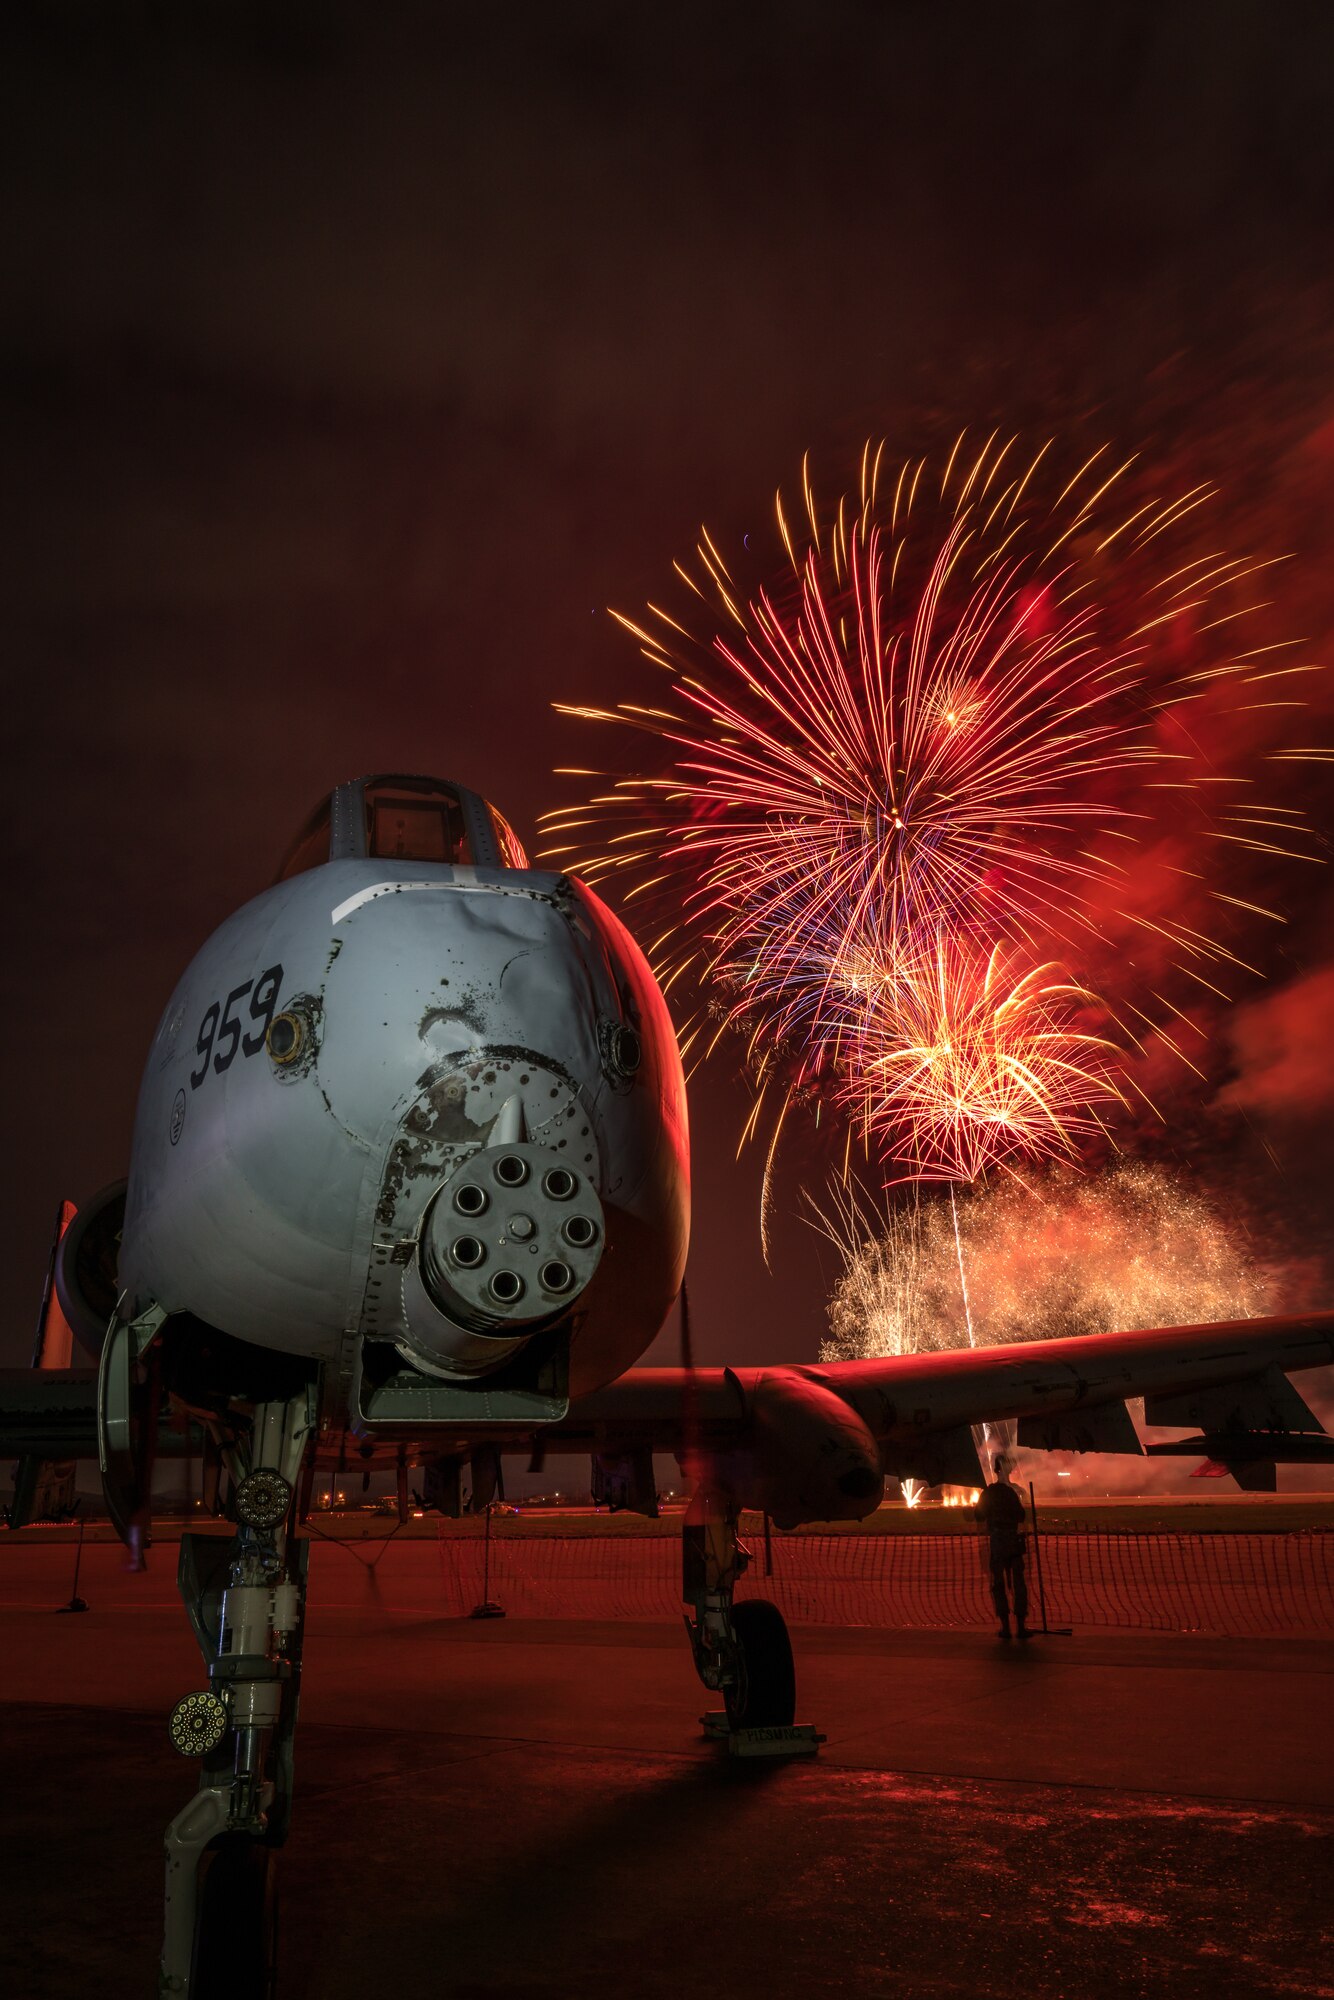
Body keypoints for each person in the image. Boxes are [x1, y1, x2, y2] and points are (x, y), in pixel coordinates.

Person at [974, 1454, 1030, 1640]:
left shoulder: (989, 1492)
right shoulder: (1014, 1491)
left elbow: (979, 1515)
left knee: (998, 1583)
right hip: (1013, 1540)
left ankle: (1005, 1627)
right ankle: (1020, 1626)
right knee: (1018, 1583)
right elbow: (1021, 1516)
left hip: (997, 1541)